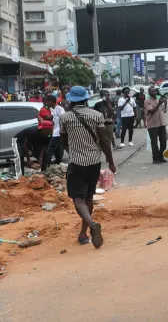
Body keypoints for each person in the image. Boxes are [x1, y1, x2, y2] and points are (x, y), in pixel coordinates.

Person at [60, 86, 115, 248]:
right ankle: (83, 233)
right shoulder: (97, 116)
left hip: (77, 163)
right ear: (86, 99)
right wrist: (110, 161)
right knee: (88, 198)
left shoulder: (65, 118)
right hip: (94, 162)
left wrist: (72, 150)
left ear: (71, 101)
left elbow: (63, 140)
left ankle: (91, 225)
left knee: (77, 198)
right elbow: (104, 141)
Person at [144, 87, 168, 164]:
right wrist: (159, 103)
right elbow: (151, 111)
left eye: (155, 91)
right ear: (149, 92)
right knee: (154, 142)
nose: (154, 92)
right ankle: (155, 158)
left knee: (163, 141)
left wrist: (165, 102)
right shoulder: (147, 101)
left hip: (161, 123)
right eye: (152, 91)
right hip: (152, 124)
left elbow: (163, 110)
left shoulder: (158, 100)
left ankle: (161, 157)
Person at [43, 95, 66, 170]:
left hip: (58, 133)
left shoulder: (59, 108)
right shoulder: (52, 109)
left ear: (50, 101)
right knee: (57, 150)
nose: (46, 103)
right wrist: (48, 118)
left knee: (49, 150)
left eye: (47, 101)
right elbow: (53, 118)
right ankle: (59, 165)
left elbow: (64, 118)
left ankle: (45, 168)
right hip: (55, 132)